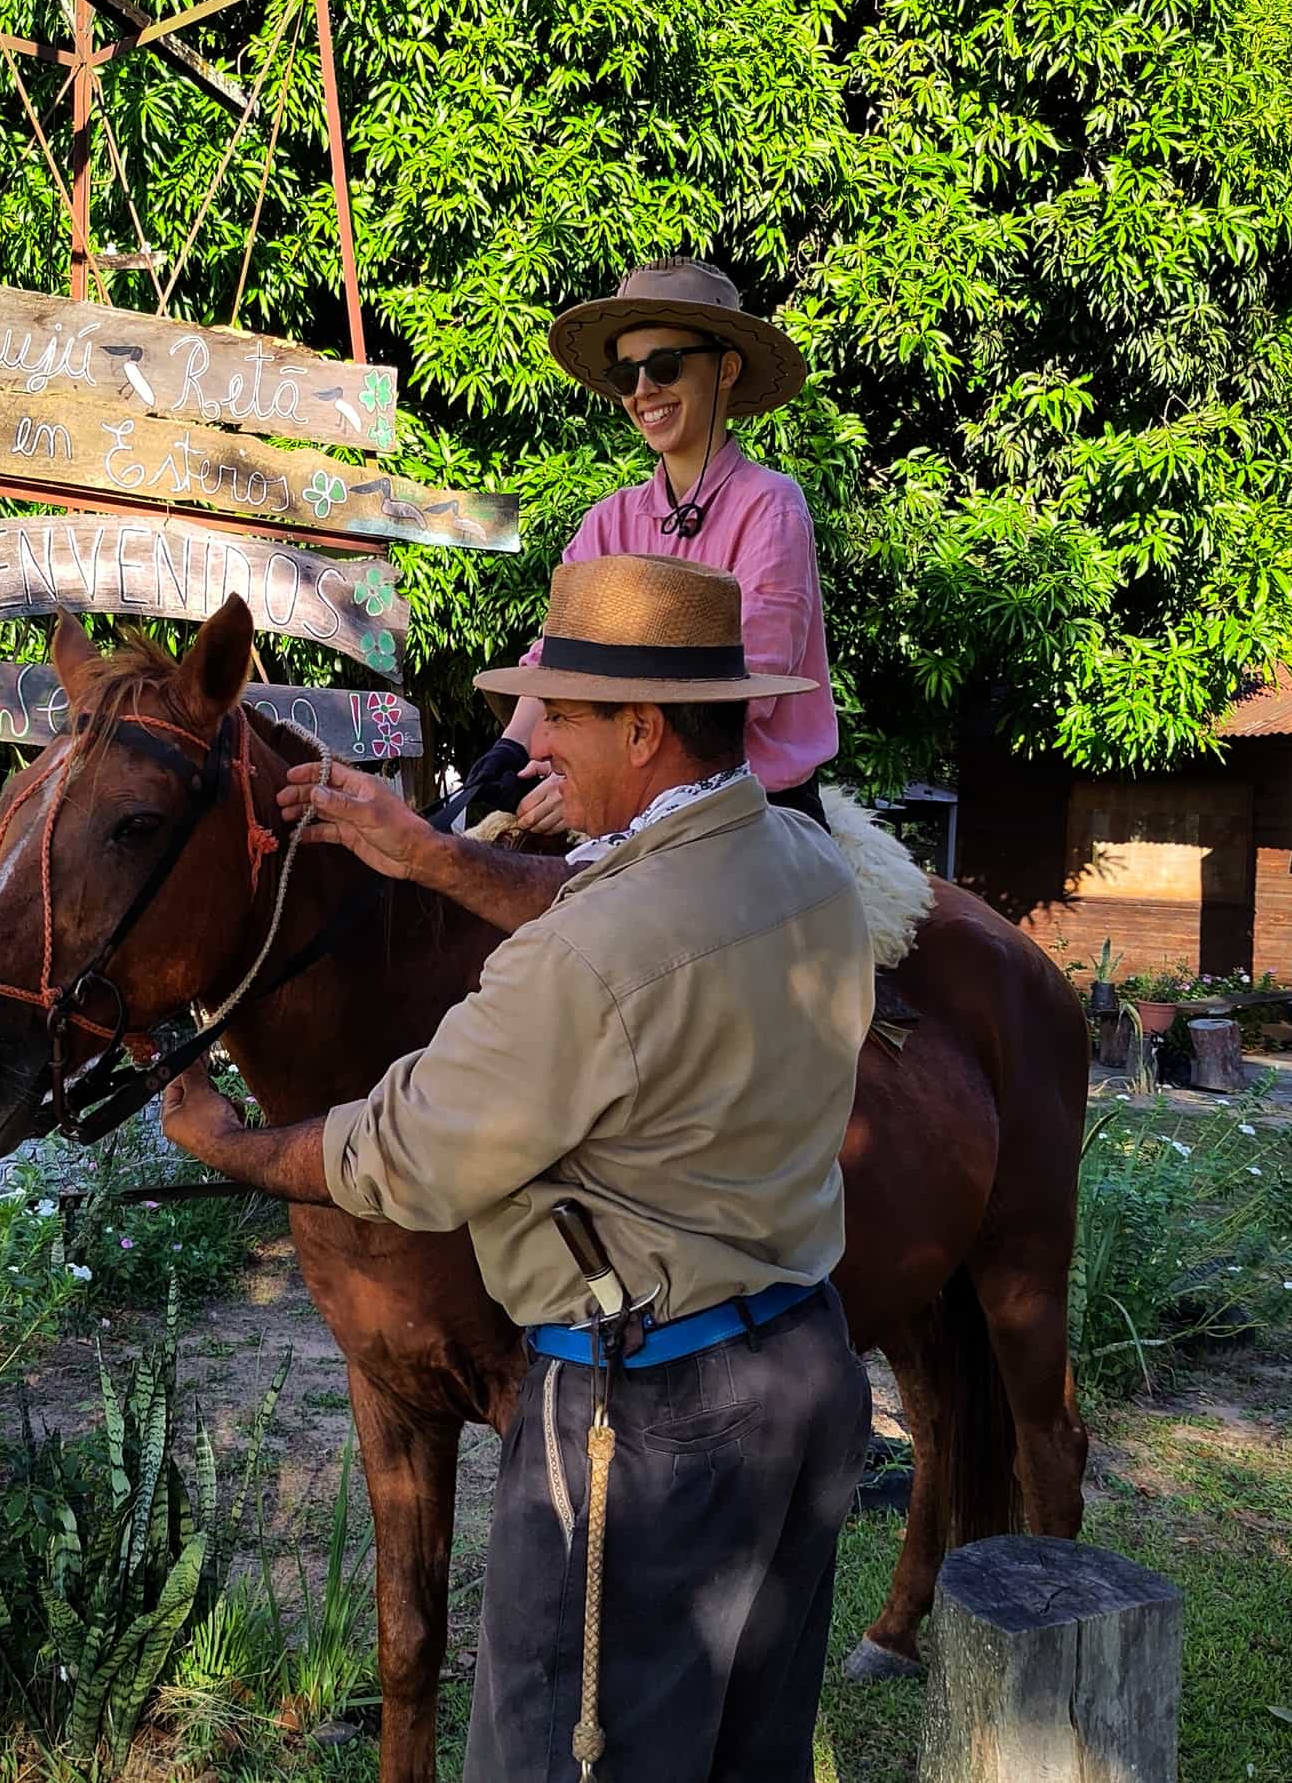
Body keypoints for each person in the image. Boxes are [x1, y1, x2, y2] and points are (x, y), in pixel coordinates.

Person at [159, 554, 874, 1783]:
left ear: (643, 728)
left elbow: (403, 1155)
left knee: (563, 1753)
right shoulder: (806, 873)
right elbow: (619, 908)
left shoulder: (582, 960)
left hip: (645, 1422)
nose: (534, 745)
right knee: (744, 1756)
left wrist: (223, 1140)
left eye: (565, 716)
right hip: (804, 1371)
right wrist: (428, 856)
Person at [461, 258, 837, 834]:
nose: (642, 392)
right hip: (613, 792)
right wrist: (509, 752)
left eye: (664, 366)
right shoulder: (607, 521)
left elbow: (742, 697)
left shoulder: (772, 506)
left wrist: (593, 782)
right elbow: (557, 665)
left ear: (728, 369)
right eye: (625, 375)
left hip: (744, 804)